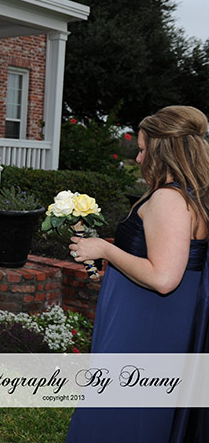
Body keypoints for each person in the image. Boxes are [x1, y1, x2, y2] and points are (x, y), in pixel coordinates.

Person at [66, 105, 209, 443]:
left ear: (163, 151)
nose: (139, 158)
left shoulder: (169, 199)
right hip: (152, 316)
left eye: (143, 149)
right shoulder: (190, 196)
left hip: (147, 324)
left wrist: (105, 250)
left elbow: (164, 278)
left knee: (121, 414)